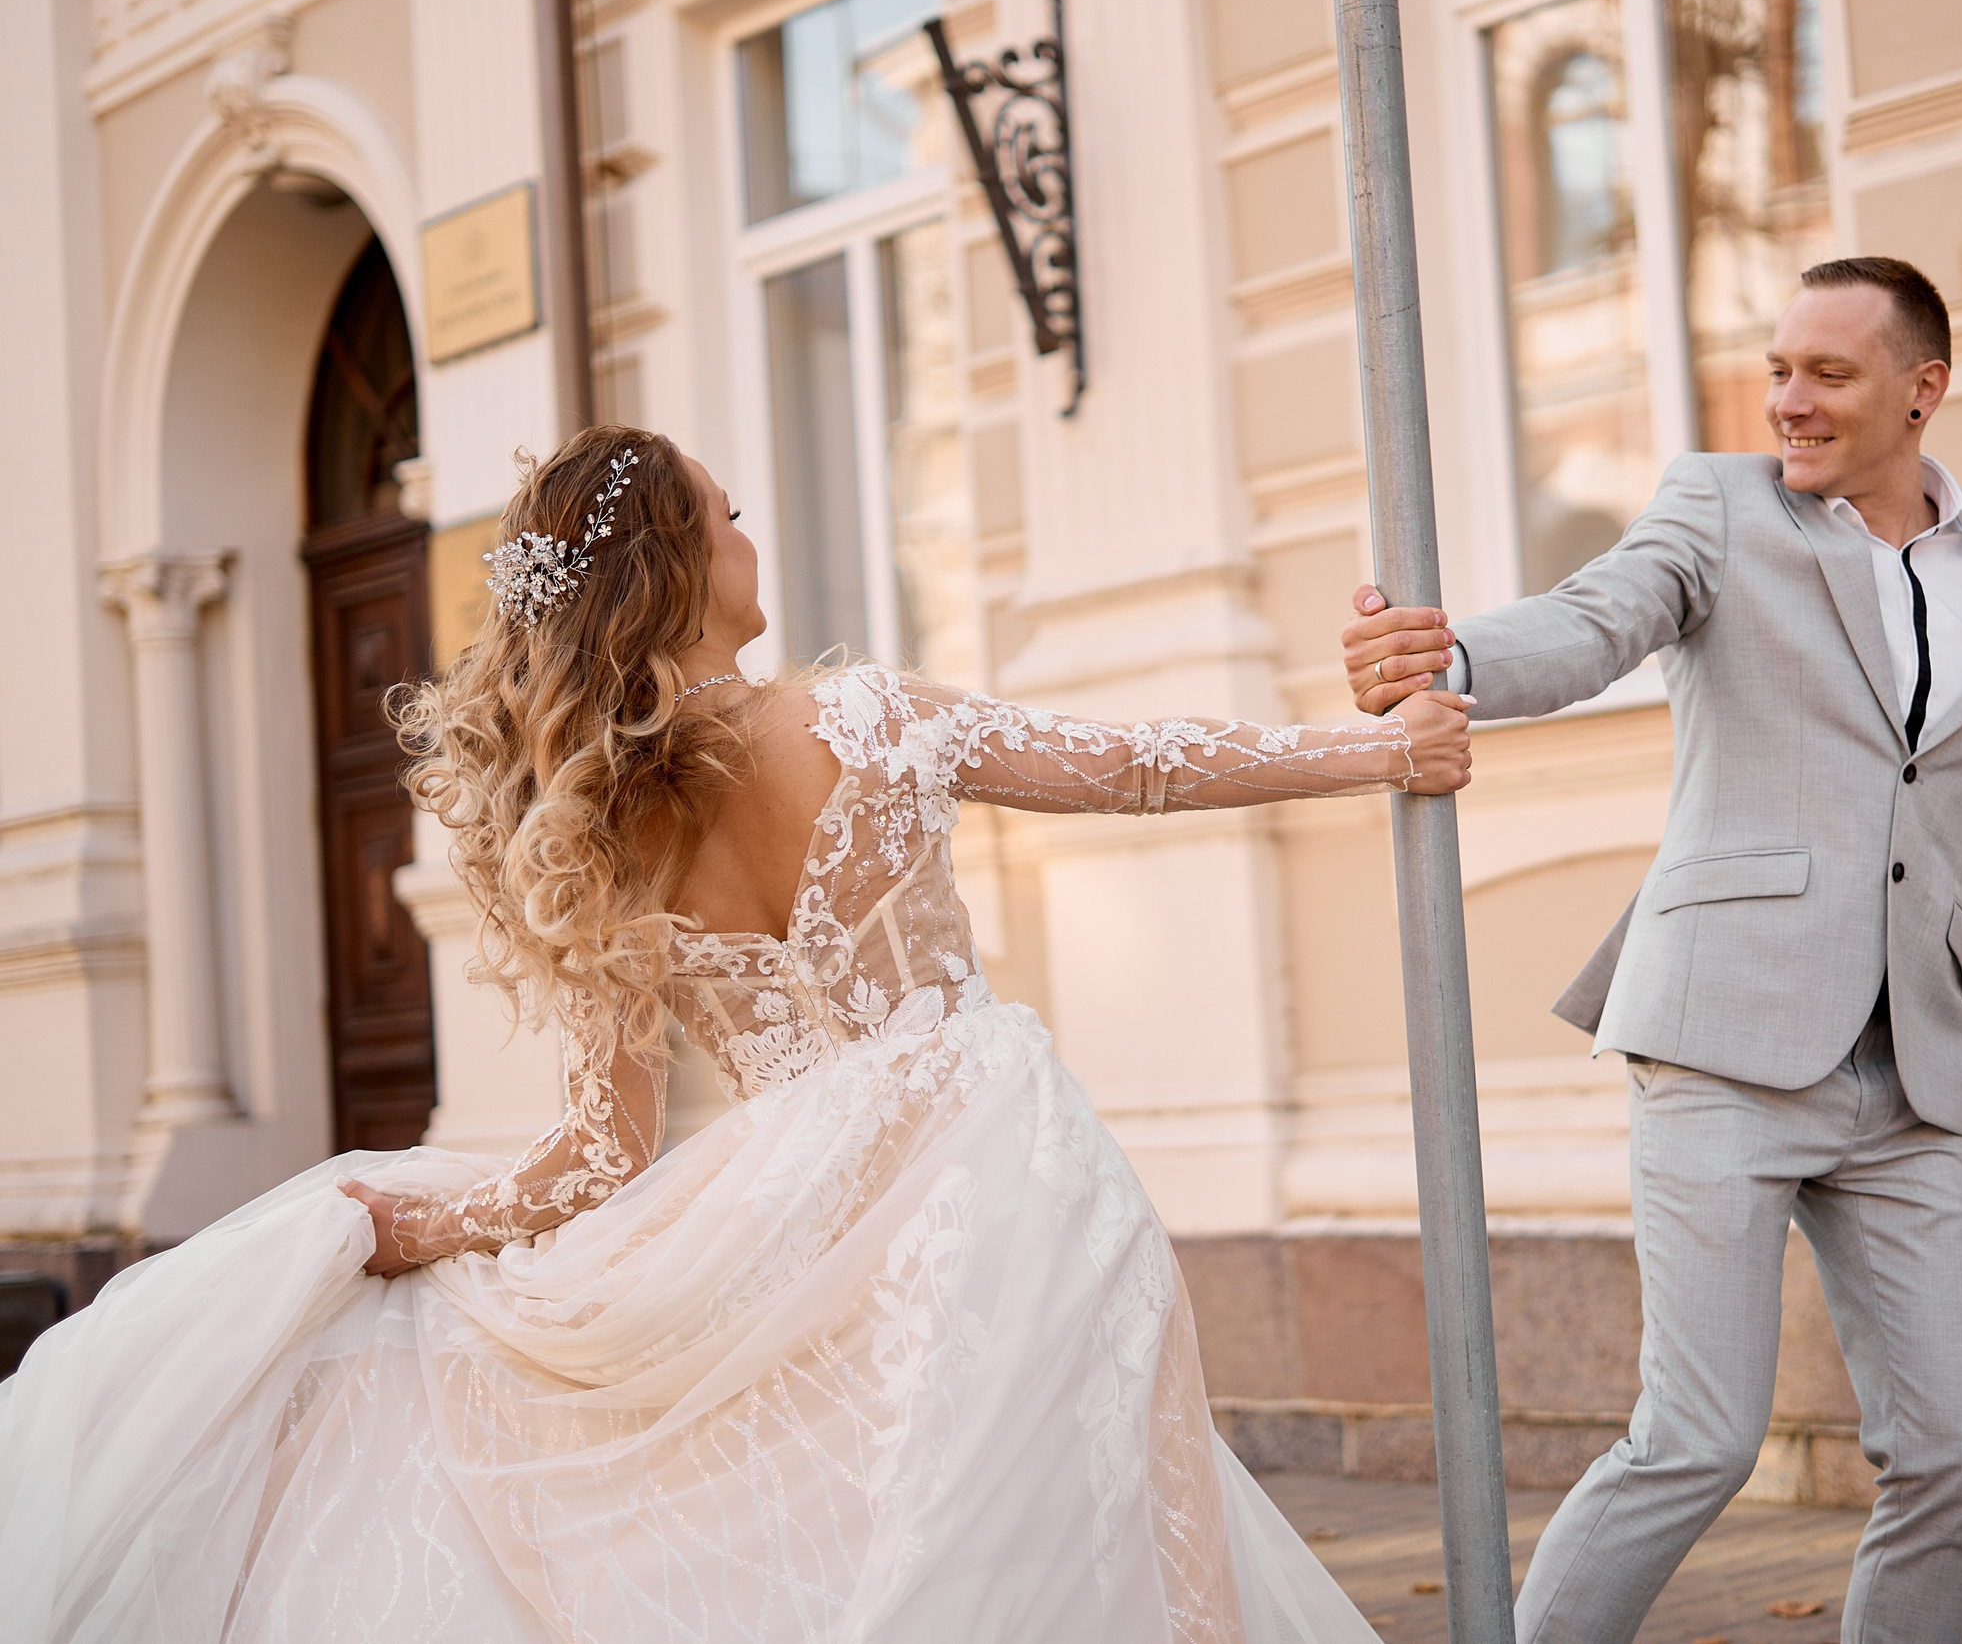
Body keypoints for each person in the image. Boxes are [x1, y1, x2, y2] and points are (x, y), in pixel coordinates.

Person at [0, 425, 1473, 1643]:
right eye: (729, 513)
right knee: (1092, 1521)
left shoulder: (602, 831)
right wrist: (1380, 749)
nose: (751, 534)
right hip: (991, 1178)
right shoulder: (865, 718)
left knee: (850, 1534)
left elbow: (595, 1158)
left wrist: (422, 1228)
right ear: (683, 569)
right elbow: (1131, 769)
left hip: (784, 1225)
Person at [1340, 257, 1962, 1644]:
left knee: (1951, 1456)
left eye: (1828, 374)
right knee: (1696, 1439)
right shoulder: (1720, 508)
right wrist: (1448, 661)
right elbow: (1595, 623)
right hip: (1722, 1041)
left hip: (1910, 1082)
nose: (1787, 402)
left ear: (1922, 392)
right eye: (1777, 370)